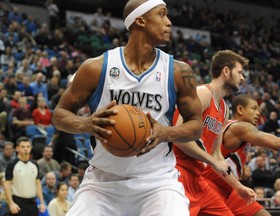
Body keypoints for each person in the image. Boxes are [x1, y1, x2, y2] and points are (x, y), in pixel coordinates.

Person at [52, 0, 203, 215]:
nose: (169, 22)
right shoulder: (96, 67)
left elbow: (196, 126)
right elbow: (59, 114)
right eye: (162, 15)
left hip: (157, 182)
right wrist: (86, 124)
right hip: (102, 182)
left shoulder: (179, 71)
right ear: (140, 20)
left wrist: (165, 132)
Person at [173, 50, 255, 215]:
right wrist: (212, 161)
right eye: (239, 72)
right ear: (226, 71)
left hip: (198, 178)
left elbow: (216, 155)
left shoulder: (224, 109)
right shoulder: (202, 93)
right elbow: (178, 135)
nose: (242, 78)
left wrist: (238, 187)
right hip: (178, 172)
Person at [203, 94, 280, 215]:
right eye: (254, 108)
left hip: (229, 188)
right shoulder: (239, 128)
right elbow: (277, 143)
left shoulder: (244, 132)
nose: (258, 113)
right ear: (240, 109)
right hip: (211, 186)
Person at [3, 136, 46, 216]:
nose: (26, 149)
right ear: (17, 148)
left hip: (32, 203)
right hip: (18, 202)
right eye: (23, 147)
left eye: (28, 146)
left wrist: (42, 202)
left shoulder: (35, 164)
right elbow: (7, 185)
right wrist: (11, 203)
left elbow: (37, 183)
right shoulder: (12, 164)